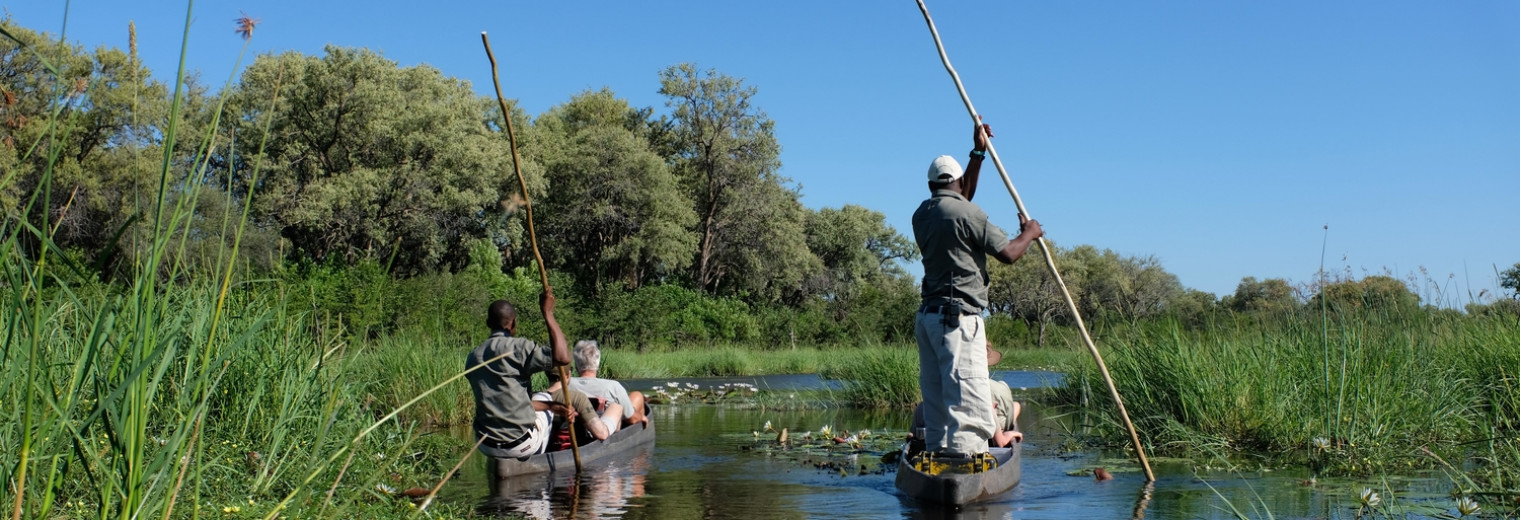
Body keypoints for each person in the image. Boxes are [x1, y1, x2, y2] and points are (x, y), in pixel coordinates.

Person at [911, 121, 1043, 460]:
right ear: (957, 184)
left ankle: (939, 461)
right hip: (957, 321)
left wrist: (978, 151)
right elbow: (1010, 254)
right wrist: (1029, 233)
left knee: (938, 398)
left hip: (927, 318)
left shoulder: (922, 214)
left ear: (930, 185)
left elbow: (959, 197)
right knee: (967, 401)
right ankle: (966, 468)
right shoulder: (969, 212)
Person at [466, 290, 579, 458]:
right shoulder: (519, 348)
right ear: (512, 324)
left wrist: (551, 408)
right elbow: (563, 357)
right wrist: (548, 313)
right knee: (547, 398)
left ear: (488, 322)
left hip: (485, 445)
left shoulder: (473, 356)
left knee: (547, 406)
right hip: (520, 445)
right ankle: (543, 458)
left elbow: (509, 402)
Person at [910, 344, 1022, 449]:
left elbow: (911, 436)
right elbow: (1000, 442)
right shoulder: (984, 400)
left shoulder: (931, 399)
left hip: (937, 446)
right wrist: (1009, 434)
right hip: (972, 447)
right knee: (1015, 406)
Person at [568, 340, 649, 428]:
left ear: (576, 365)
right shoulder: (613, 387)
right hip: (605, 431)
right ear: (597, 364)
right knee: (637, 395)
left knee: (635, 396)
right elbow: (632, 419)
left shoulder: (564, 386)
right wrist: (642, 417)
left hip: (575, 430)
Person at [535, 369, 614, 441]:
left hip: (545, 446)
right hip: (571, 448)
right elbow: (601, 434)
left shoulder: (534, 398)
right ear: (568, 375)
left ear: (546, 374)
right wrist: (600, 413)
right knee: (616, 407)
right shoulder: (578, 398)